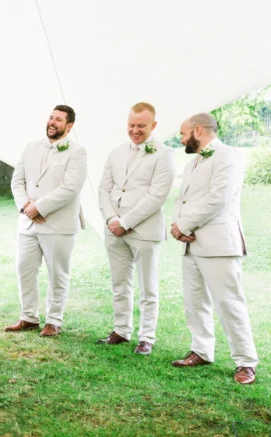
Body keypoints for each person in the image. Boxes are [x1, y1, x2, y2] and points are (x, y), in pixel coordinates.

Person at [170, 113, 258, 384]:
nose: (182, 139)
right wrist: (178, 223)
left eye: (184, 133)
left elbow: (217, 198)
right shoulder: (193, 163)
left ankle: (245, 362)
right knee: (194, 302)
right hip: (192, 245)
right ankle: (201, 351)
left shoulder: (229, 155)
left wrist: (183, 225)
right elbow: (183, 200)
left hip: (220, 243)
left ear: (198, 130)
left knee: (229, 302)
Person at [96, 103, 175, 354]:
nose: (135, 130)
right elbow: (104, 189)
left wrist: (125, 222)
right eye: (131, 125)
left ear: (153, 125)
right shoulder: (116, 152)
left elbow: (156, 196)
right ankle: (121, 330)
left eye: (141, 125)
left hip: (144, 229)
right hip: (114, 229)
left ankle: (147, 337)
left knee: (148, 286)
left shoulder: (163, 154)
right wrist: (111, 219)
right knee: (120, 283)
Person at [6, 106, 87, 337]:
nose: (52, 122)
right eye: (51, 117)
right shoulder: (31, 147)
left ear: (69, 126)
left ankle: (54, 320)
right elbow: (16, 181)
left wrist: (38, 207)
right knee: (24, 268)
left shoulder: (77, 153)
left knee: (57, 273)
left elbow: (70, 188)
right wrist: (26, 207)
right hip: (28, 223)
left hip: (59, 224)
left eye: (58, 120)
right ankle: (28, 317)